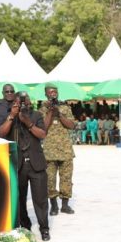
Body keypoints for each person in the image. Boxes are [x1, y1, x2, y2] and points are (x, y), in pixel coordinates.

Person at [0, 85, 50, 241]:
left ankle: (44, 228)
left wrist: (28, 123)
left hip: (36, 163)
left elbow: (42, 134)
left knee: (41, 199)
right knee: (20, 199)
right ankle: (26, 226)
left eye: (26, 99)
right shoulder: (11, 116)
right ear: (14, 103)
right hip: (19, 164)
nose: (23, 102)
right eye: (19, 100)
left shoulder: (36, 115)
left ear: (30, 101)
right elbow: (1, 133)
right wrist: (11, 116)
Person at [39, 84, 76, 217]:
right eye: (50, 92)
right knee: (50, 179)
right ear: (46, 94)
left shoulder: (65, 107)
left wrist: (59, 114)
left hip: (65, 149)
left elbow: (72, 125)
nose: (53, 94)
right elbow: (43, 127)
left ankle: (65, 205)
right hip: (49, 150)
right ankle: (53, 205)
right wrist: (50, 112)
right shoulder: (42, 109)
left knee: (66, 178)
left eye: (55, 91)